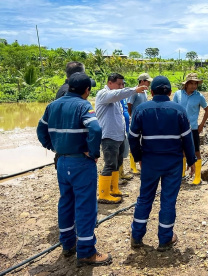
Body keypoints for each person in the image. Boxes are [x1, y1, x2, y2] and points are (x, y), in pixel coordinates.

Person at [37, 72, 112, 267]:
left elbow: (40, 129)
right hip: (80, 163)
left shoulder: (53, 105)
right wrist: (93, 153)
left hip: (62, 162)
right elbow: (95, 129)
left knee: (66, 202)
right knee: (85, 206)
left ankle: (68, 244)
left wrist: (53, 146)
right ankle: (86, 252)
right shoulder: (83, 105)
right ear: (86, 90)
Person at [128, 76, 196, 251]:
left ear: (151, 92)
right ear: (170, 92)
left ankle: (136, 236)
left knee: (144, 198)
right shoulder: (179, 110)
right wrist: (191, 160)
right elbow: (187, 138)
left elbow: (133, 138)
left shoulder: (141, 110)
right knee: (168, 200)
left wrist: (138, 157)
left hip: (150, 162)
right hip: (173, 164)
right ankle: (165, 239)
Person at [95, 73, 147, 204]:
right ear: (110, 83)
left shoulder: (117, 97)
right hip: (108, 136)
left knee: (117, 163)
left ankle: (114, 189)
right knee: (109, 164)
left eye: (122, 84)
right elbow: (117, 94)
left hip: (118, 135)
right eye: (118, 84)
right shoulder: (103, 94)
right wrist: (134, 90)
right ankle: (103, 194)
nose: (120, 87)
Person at [173, 73, 208, 185]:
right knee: (181, 150)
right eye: (192, 83)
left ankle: (197, 177)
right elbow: (173, 110)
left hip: (193, 128)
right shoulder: (178, 94)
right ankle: (182, 174)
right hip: (179, 128)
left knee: (196, 151)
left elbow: (207, 110)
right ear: (187, 84)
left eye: (196, 84)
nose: (194, 86)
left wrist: (201, 124)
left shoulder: (199, 96)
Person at [127, 73, 153, 174]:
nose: (149, 83)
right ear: (142, 81)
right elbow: (129, 106)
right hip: (135, 121)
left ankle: (141, 164)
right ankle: (133, 165)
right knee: (134, 142)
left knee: (142, 142)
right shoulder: (134, 92)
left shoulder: (145, 92)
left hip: (144, 120)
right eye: (148, 81)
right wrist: (132, 117)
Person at [118, 80, 134, 185]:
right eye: (119, 84)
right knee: (115, 155)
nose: (122, 86)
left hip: (125, 128)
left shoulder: (122, 97)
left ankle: (121, 172)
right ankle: (116, 177)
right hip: (117, 130)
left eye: (123, 84)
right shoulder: (114, 97)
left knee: (122, 153)